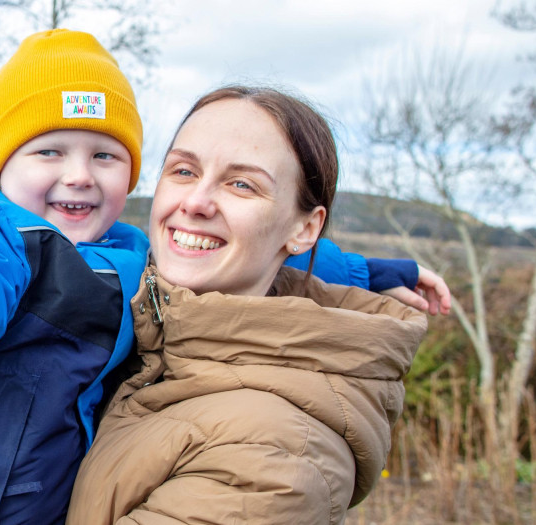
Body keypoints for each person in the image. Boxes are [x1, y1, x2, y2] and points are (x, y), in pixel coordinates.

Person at [0, 31, 445, 524]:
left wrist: (376, 272)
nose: (79, 174)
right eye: (50, 151)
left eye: (104, 155)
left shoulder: (126, 253)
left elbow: (277, 250)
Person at [66, 86, 432, 524]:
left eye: (242, 184)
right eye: (184, 170)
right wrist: (365, 273)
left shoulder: (274, 460)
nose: (195, 202)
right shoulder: (147, 328)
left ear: (304, 230)